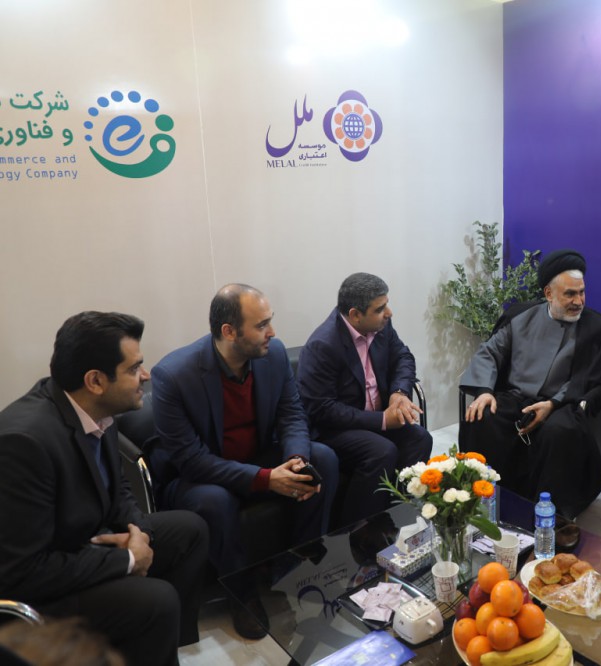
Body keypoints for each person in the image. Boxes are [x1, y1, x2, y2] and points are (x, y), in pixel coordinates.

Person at [0, 312, 208, 666]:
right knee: (157, 600)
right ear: (95, 380)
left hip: (87, 540)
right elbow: (23, 571)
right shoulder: (24, 443)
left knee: (191, 530)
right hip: (42, 592)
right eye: (134, 368)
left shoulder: (96, 410)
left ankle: (167, 649)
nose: (146, 375)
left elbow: (119, 487)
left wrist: (138, 533)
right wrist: (127, 559)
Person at [149, 284, 339, 640]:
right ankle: (242, 594)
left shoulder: (274, 354)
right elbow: (191, 460)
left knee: (322, 458)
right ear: (229, 331)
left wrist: (295, 461)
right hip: (202, 475)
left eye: (270, 321)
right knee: (214, 500)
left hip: (256, 456)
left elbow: (292, 415)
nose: (273, 332)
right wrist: (266, 478)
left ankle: (296, 565)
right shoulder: (173, 376)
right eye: (262, 325)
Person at [459, 249, 601, 519]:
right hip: (516, 398)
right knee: (482, 416)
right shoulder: (520, 316)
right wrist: (485, 391)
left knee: (559, 433)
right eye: (570, 294)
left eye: (581, 293)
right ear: (548, 294)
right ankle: (483, 498)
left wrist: (553, 403)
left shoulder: (597, 327)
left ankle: (551, 516)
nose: (579, 301)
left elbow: (594, 376)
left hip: (562, 404)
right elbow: (490, 352)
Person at [297, 273, 432, 526]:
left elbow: (403, 357)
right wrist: (382, 420)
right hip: (336, 429)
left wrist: (399, 393)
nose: (389, 313)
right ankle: (359, 530)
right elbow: (322, 409)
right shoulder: (323, 345)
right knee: (381, 451)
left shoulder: (381, 327)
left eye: (386, 304)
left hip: (375, 419)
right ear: (355, 314)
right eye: (380, 309)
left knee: (420, 438)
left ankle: (399, 520)